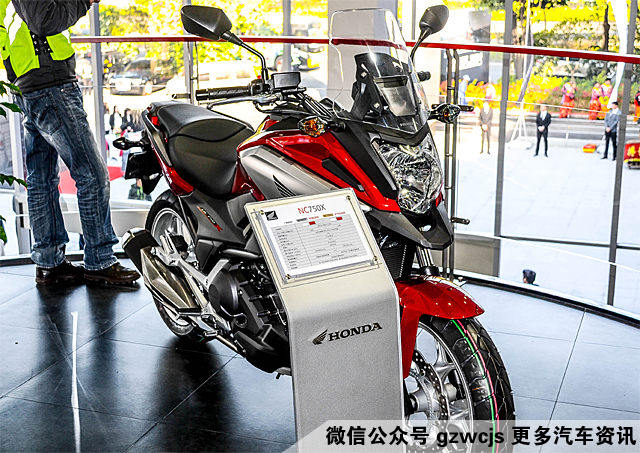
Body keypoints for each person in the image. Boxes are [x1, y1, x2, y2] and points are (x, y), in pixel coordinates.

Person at [2, 0, 140, 286]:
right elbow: (44, 20)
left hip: (27, 78)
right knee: (92, 174)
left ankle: (49, 262)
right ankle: (100, 261)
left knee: (41, 179)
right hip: (49, 81)